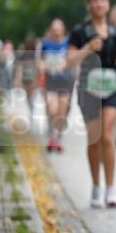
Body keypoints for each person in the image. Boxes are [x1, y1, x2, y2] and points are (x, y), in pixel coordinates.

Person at [68, 0, 116, 208]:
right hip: (88, 88)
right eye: (95, 0)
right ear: (89, 4)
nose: (99, 4)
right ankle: (96, 186)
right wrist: (87, 48)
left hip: (112, 86)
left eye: (103, 0)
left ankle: (111, 189)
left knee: (106, 135)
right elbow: (70, 60)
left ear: (108, 3)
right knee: (94, 138)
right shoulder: (79, 31)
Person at [39, 19, 75, 152]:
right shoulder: (45, 44)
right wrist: (44, 66)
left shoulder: (68, 43)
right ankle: (52, 135)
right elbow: (40, 61)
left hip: (65, 82)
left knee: (62, 112)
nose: (56, 32)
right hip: (51, 82)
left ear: (63, 30)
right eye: (54, 30)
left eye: (58, 29)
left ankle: (57, 137)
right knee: (52, 109)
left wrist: (65, 63)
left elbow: (73, 59)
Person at [14, 34, 40, 116]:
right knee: (28, 95)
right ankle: (31, 109)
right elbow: (20, 66)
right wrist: (18, 78)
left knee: (32, 94)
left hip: (33, 74)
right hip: (26, 75)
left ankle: (32, 109)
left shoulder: (36, 52)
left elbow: (37, 64)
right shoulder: (23, 53)